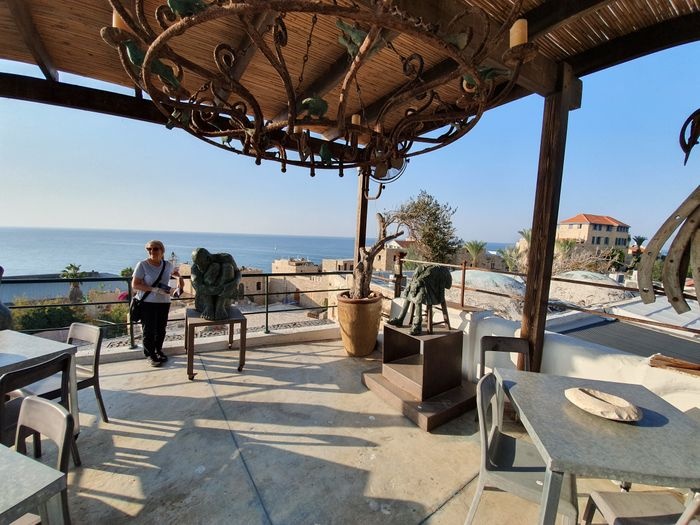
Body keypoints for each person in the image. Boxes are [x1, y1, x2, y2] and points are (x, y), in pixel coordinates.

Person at [132, 240, 183, 367]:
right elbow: (135, 285)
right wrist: (154, 289)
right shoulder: (142, 265)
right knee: (149, 330)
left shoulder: (167, 265)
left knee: (161, 330)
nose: (152, 251)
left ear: (162, 251)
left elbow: (174, 273)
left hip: (164, 302)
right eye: (149, 249)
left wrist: (179, 279)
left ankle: (158, 350)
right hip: (147, 303)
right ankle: (150, 355)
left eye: (155, 249)